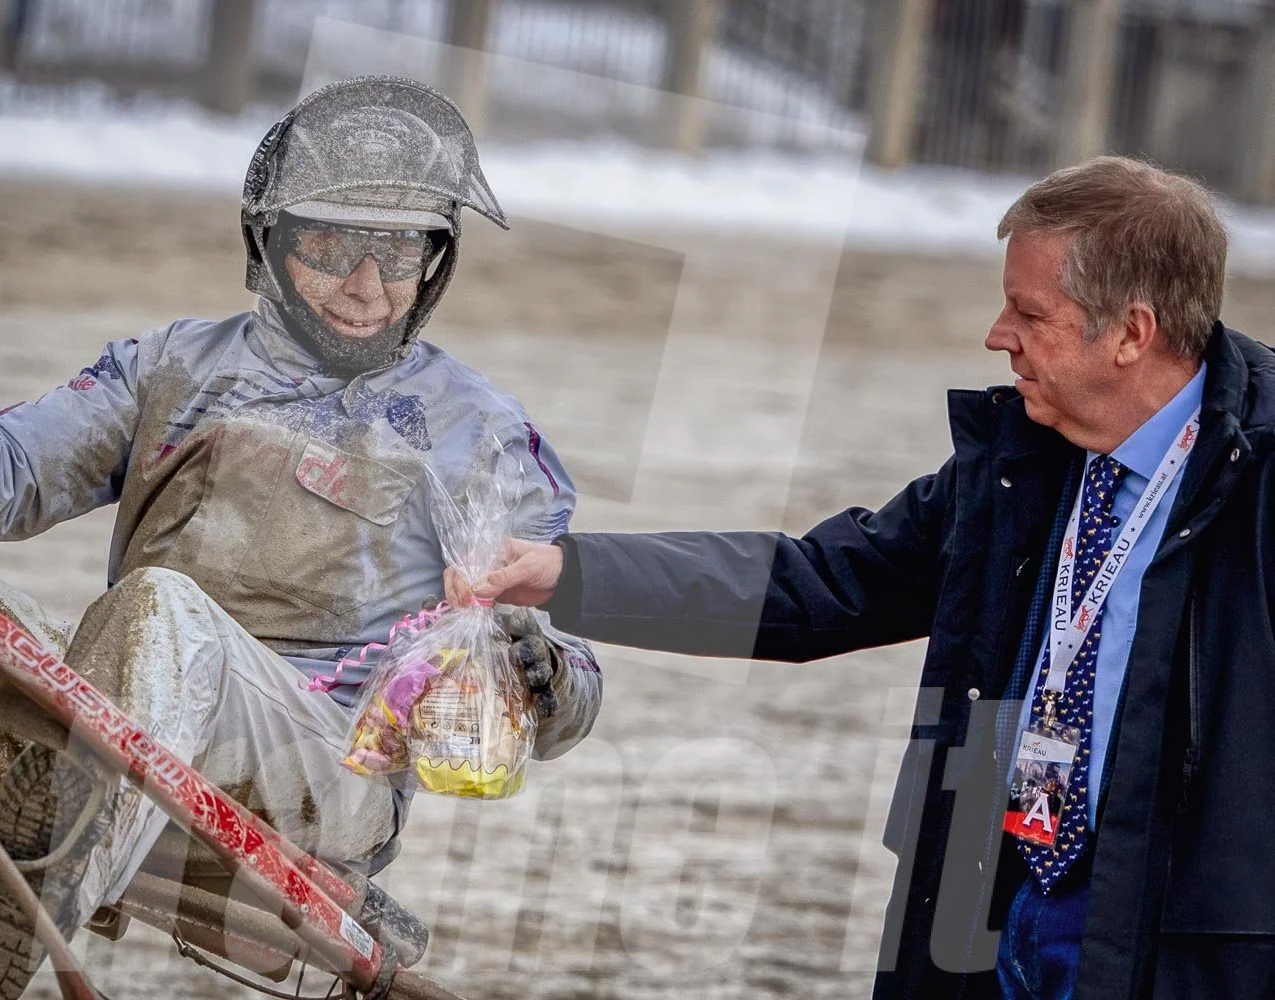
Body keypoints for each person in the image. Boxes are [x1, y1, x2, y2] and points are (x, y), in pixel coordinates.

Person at [0, 76, 601, 1000]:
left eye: (399, 251)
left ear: (435, 261)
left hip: (317, 773)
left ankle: (45, 878)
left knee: (163, 611)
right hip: (108, 716)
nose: (367, 287)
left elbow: (566, 690)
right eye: (331, 246)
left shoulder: (480, 433)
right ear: (270, 243)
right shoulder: (168, 366)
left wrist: (545, 677)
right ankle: (60, 797)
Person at [450, 156, 1275, 999]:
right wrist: (569, 572)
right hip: (988, 917)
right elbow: (817, 584)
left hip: (1174, 952)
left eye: (1030, 312)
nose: (998, 334)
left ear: (1132, 334)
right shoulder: (1019, 461)